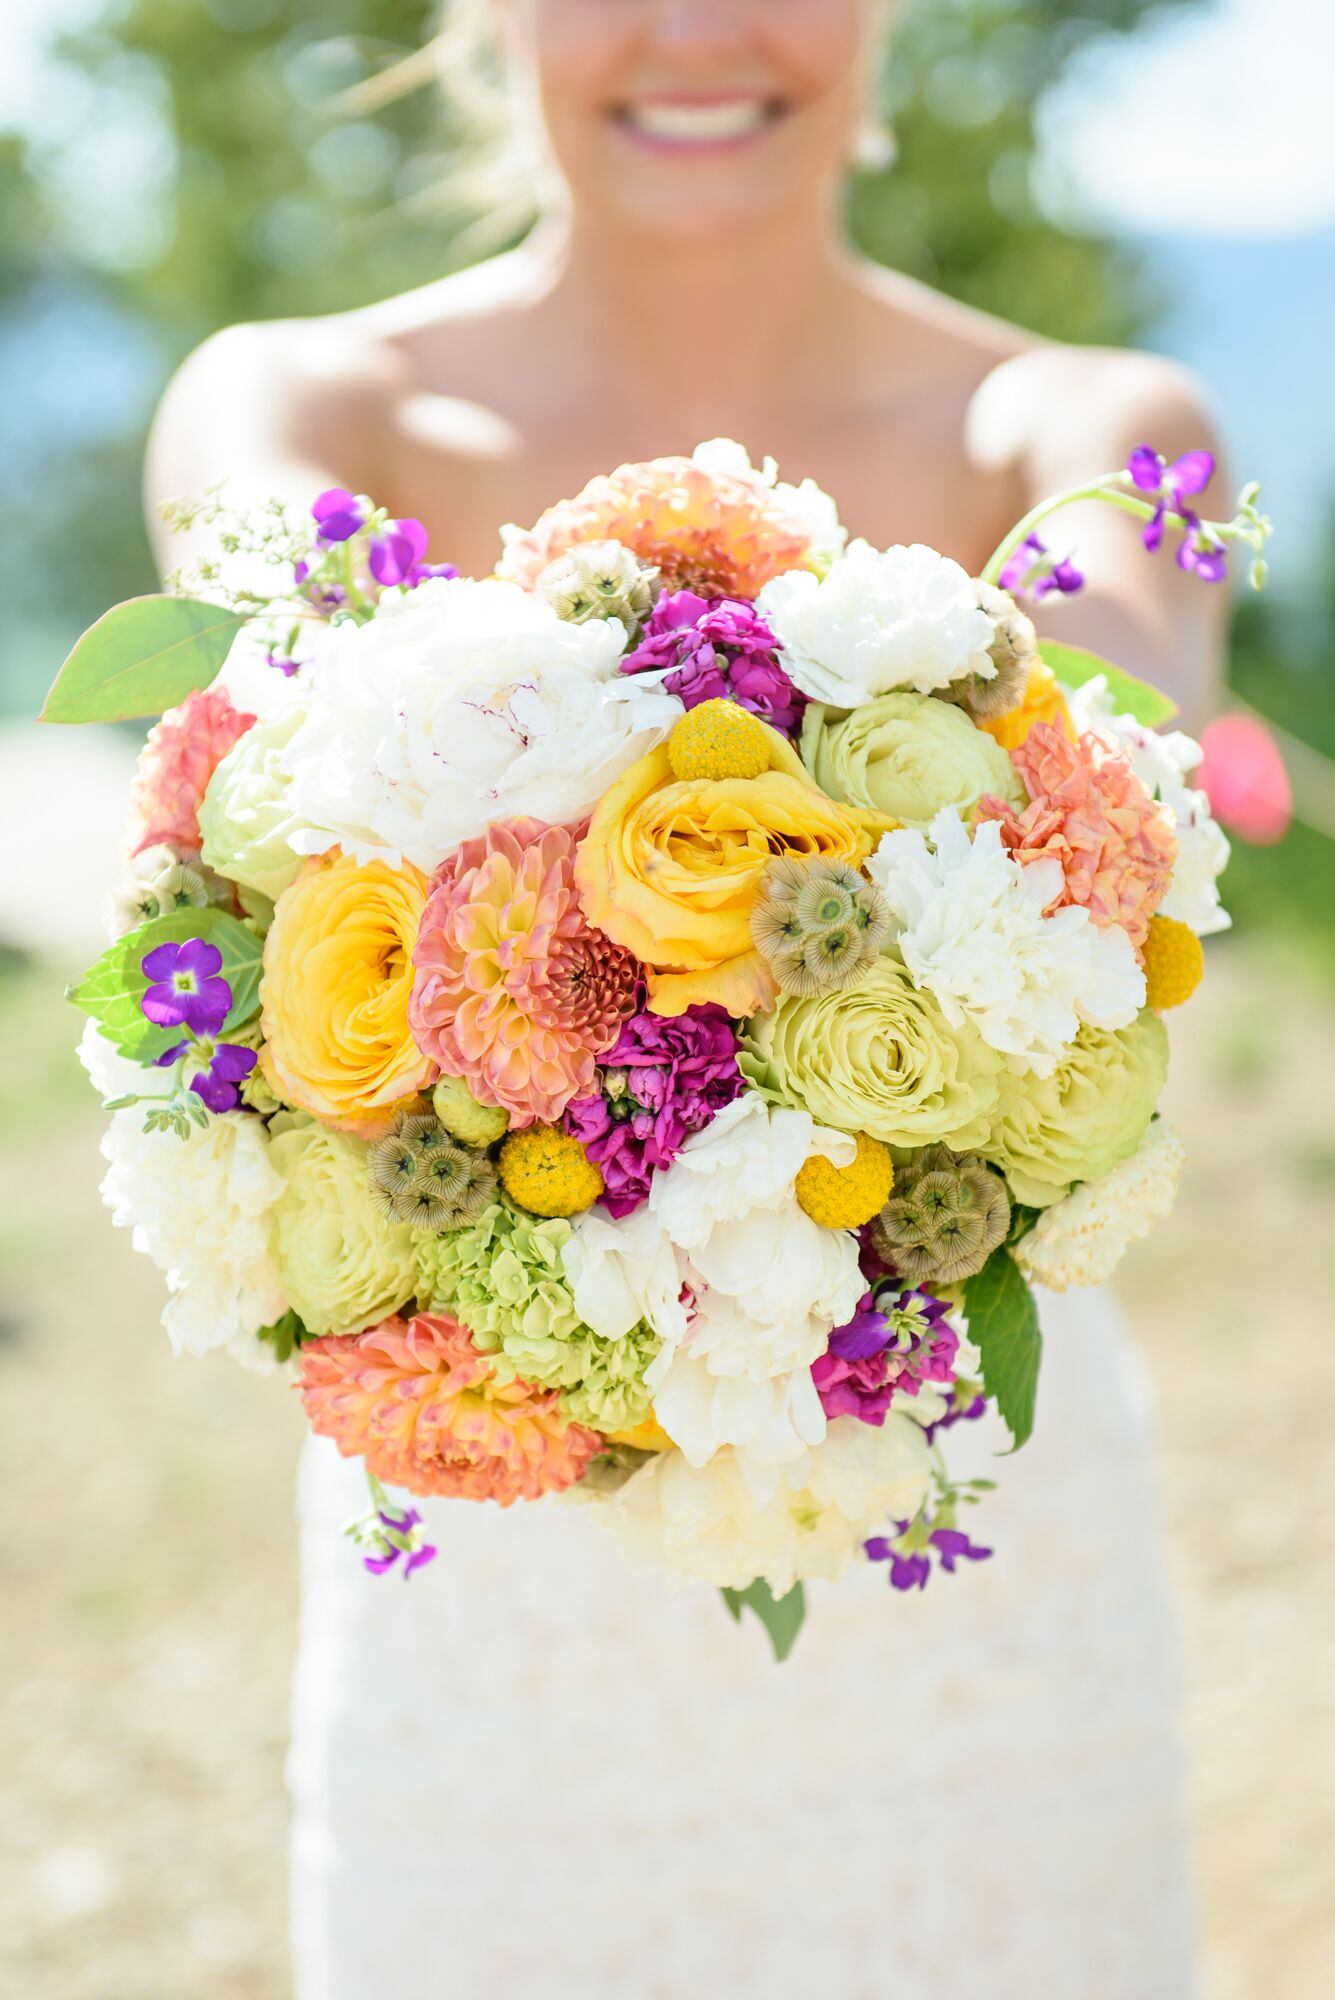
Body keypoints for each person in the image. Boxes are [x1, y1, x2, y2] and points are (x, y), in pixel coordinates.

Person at [148, 5, 1220, 1994]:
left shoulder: (1087, 429)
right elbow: (249, 698)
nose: (698, 30)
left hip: (963, 1541)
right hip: (481, 1550)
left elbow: (1100, 754)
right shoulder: (291, 402)